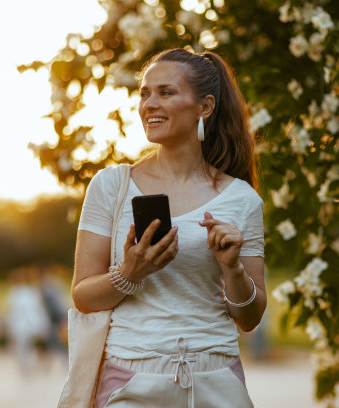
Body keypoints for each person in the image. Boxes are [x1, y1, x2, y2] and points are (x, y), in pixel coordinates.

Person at [72, 48, 266, 408]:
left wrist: (232, 267)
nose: (149, 104)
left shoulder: (241, 200)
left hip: (216, 381)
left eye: (166, 92)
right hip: (131, 382)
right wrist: (129, 273)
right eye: (145, 93)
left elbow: (250, 319)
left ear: (204, 107)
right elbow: (82, 297)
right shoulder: (111, 185)